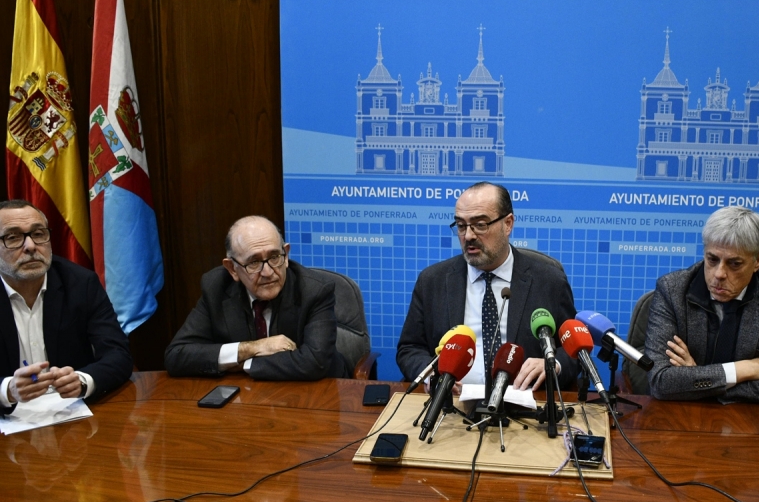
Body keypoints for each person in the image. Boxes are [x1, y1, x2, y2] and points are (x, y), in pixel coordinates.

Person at [396, 182, 578, 391]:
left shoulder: (549, 281)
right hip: (452, 400)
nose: (469, 236)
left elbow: (574, 351)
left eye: (480, 225)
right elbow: (410, 348)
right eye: (461, 226)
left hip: (523, 400)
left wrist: (553, 364)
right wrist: (431, 375)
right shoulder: (432, 281)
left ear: (508, 224)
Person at [644, 206, 759, 404]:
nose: (719, 273)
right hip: (683, 416)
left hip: (749, 419)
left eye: (734, 264)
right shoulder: (672, 290)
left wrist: (696, 380)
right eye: (712, 259)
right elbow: (661, 382)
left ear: (758, 260)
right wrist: (743, 370)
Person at [165, 216, 350, 380]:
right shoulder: (216, 287)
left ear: (286, 255)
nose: (268, 272)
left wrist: (242, 364)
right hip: (251, 396)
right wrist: (252, 348)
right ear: (232, 268)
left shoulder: (314, 291)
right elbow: (177, 356)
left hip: (320, 394)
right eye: (254, 262)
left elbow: (314, 363)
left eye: (275, 257)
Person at [0, 200, 132, 415]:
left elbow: (118, 355)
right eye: (13, 237)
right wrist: (7, 390)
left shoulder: (81, 283)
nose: (30, 246)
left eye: (38, 234)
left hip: (71, 416)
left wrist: (82, 380)